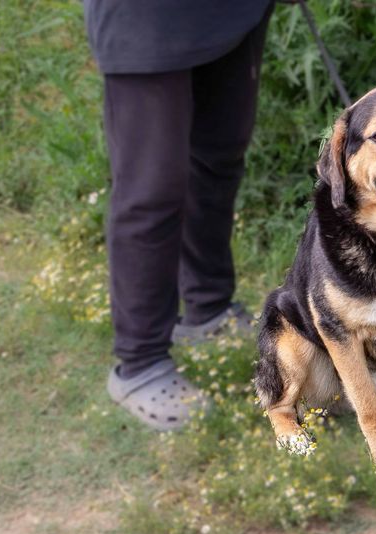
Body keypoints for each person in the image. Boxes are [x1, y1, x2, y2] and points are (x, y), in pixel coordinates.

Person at [82, 1, 275, 431]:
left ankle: (208, 307)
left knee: (219, 160)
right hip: (143, 16)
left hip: (233, 12)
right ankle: (140, 361)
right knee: (150, 189)